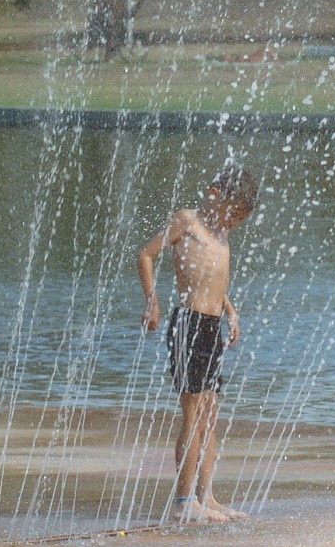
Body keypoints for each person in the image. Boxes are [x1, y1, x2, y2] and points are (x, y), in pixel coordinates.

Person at [136, 164, 258, 523]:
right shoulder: (187, 221)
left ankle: (208, 497)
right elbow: (145, 254)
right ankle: (183, 500)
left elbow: (216, 284)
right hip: (188, 323)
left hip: (212, 327)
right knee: (192, 415)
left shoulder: (222, 237)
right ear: (214, 194)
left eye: (241, 218)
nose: (234, 222)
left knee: (210, 415)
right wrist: (152, 300)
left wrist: (231, 313)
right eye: (233, 213)